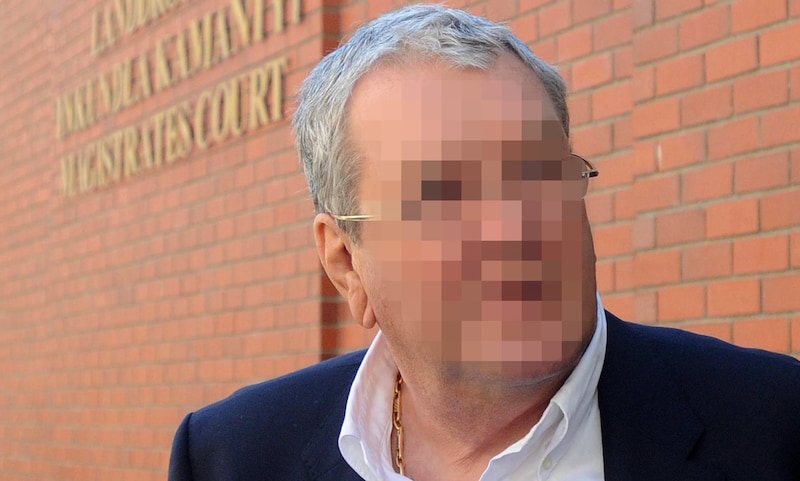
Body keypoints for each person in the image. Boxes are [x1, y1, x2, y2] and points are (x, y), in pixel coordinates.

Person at [168, 5, 800, 480]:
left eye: (536, 172)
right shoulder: (234, 456)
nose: (512, 228)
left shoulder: (773, 425)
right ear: (345, 262)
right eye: (444, 194)